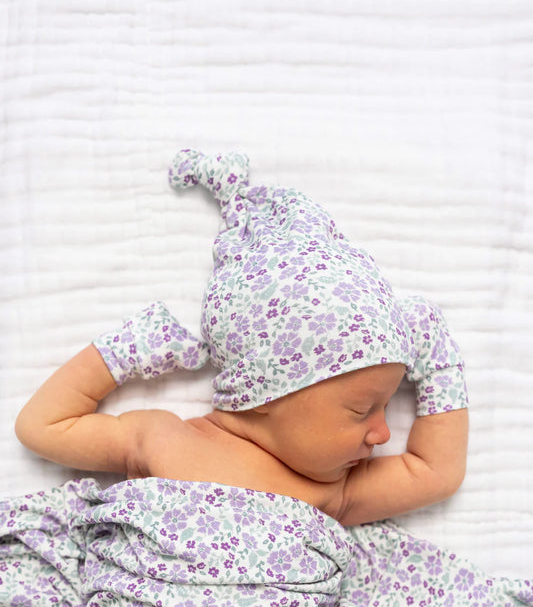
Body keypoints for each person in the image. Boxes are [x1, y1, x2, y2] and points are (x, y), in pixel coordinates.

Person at [15, 149, 468, 530]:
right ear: (267, 389)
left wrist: (438, 365)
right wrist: (123, 353)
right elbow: (41, 428)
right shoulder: (161, 437)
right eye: (362, 409)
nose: (383, 433)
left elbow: (435, 473)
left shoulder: (337, 492)